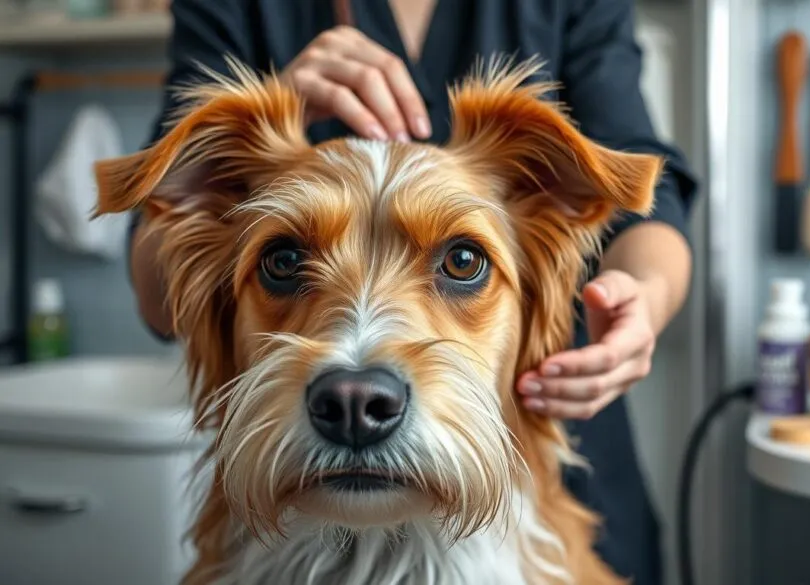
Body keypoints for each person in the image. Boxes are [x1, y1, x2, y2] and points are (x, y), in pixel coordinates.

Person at [129, 1, 699, 582]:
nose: (360, 385)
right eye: (283, 263)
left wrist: (643, 299)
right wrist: (266, 112)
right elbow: (158, 256)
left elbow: (645, 193)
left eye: (462, 262)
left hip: (559, 493)